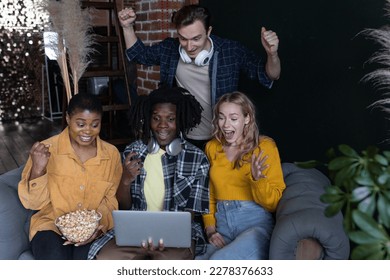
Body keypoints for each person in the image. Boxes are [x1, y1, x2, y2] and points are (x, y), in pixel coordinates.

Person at [117, 4, 281, 148]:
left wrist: (272, 54)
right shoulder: (170, 48)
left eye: (196, 38)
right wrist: (127, 27)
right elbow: (139, 55)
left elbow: (270, 75)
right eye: (183, 39)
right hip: (182, 136)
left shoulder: (231, 50)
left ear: (208, 31)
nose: (189, 46)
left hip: (221, 137)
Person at [87, 86, 210, 260]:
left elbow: (191, 214)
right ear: (148, 119)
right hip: (136, 233)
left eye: (171, 119)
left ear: (180, 120)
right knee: (104, 259)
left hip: (175, 235)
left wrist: (166, 234)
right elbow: (125, 207)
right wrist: (125, 180)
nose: (162, 125)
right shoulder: (134, 152)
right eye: (156, 118)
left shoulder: (197, 159)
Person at [17, 93, 123, 260]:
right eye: (80, 124)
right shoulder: (46, 150)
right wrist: (38, 169)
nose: (87, 131)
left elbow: (110, 201)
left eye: (94, 125)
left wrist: (97, 228)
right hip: (50, 225)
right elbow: (33, 203)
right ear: (67, 118)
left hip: (92, 229)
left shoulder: (111, 155)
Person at [196, 91, 286, 260]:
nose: (226, 125)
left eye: (233, 118)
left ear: (247, 119)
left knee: (218, 262)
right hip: (222, 226)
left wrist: (258, 181)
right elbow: (209, 194)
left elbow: (273, 204)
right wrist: (210, 230)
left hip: (255, 225)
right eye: (221, 117)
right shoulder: (212, 147)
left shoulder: (265, 146)